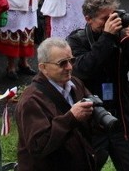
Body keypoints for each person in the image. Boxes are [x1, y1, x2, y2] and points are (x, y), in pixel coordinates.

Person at [68, 0, 129, 171]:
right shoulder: (76, 41)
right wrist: (107, 38)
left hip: (121, 120)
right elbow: (83, 71)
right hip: (90, 123)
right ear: (88, 19)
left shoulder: (122, 36)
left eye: (113, 16)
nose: (111, 22)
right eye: (104, 18)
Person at [15, 37, 99, 171]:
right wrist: (71, 118)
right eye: (62, 63)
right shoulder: (31, 101)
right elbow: (38, 146)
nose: (70, 67)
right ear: (43, 68)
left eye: (71, 60)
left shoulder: (75, 84)